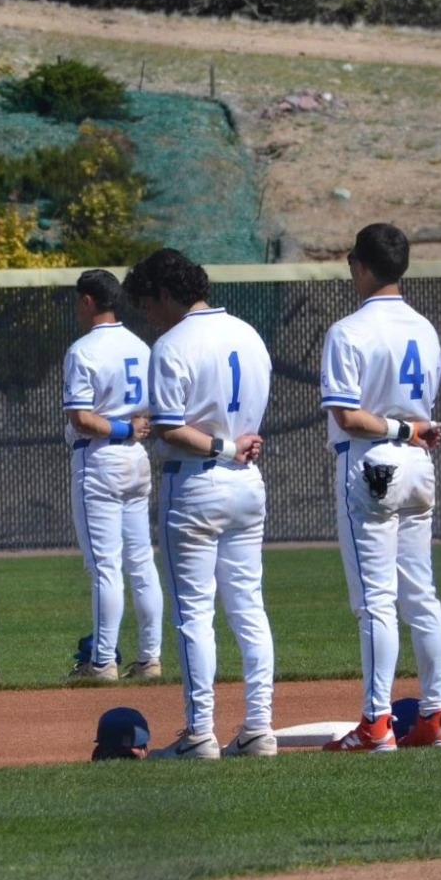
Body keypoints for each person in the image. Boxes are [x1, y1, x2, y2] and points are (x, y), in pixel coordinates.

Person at [125, 249, 277, 759]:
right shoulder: (248, 334)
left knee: (194, 614)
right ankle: (259, 727)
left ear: (167, 293)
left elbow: (170, 428)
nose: (149, 314)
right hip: (246, 483)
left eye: (149, 303)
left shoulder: (172, 344)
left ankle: (199, 734)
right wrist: (234, 447)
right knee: (249, 608)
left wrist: (224, 447)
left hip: (195, 485)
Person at [319, 223, 441, 752]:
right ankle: (435, 716)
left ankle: (377, 722)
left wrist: (400, 430)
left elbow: (349, 418)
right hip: (418, 464)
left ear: (362, 266)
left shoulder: (348, 331)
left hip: (373, 462)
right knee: (420, 596)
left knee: (376, 602)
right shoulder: (425, 328)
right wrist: (410, 432)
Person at [60, 269, 164, 682]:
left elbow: (82, 419)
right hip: (136, 459)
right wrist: (130, 428)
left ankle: (102, 662)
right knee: (140, 562)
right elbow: (153, 408)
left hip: (100, 459)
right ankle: (150, 658)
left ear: (88, 301)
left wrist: (120, 428)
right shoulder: (140, 346)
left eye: (78, 301)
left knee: (105, 566)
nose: (76, 309)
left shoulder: (83, 350)